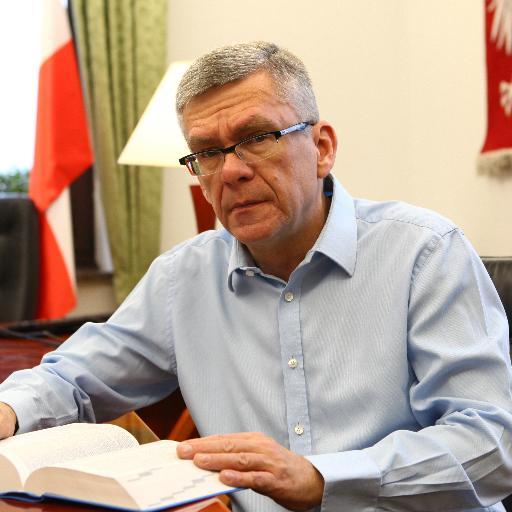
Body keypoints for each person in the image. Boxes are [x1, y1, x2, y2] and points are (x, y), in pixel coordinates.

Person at [0, 41, 511, 512]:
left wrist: (323, 478)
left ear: (322, 147)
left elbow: (492, 444)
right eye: (207, 152)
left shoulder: (426, 252)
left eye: (257, 138)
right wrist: (9, 409)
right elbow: (71, 379)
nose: (231, 171)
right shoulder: (184, 277)